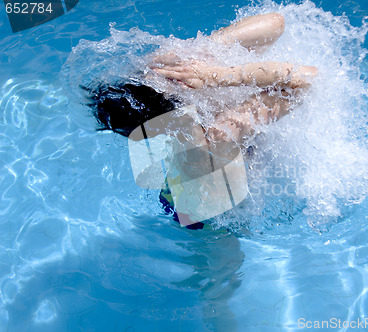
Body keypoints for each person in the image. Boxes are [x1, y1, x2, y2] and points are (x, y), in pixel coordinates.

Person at [85, 12, 317, 229]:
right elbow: (307, 79)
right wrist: (220, 76)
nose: (175, 78)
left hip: (186, 195)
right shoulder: (221, 136)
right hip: (208, 222)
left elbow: (275, 23)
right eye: (167, 84)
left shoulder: (179, 113)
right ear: (176, 106)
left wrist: (206, 48)